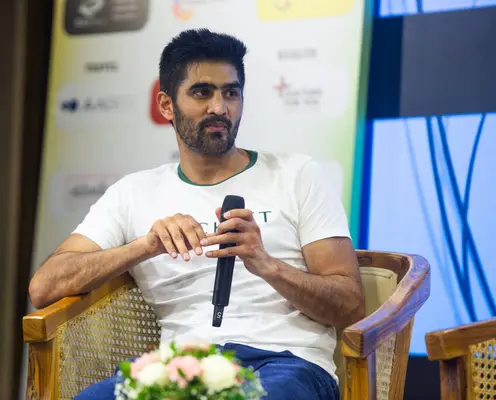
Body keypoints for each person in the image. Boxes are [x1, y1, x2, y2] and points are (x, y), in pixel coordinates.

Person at [29, 28, 365, 400]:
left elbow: (349, 304)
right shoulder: (133, 193)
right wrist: (145, 246)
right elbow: (44, 288)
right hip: (179, 368)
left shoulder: (297, 175)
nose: (220, 108)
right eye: (203, 92)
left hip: (284, 365)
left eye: (231, 92)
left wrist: (267, 264)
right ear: (166, 105)